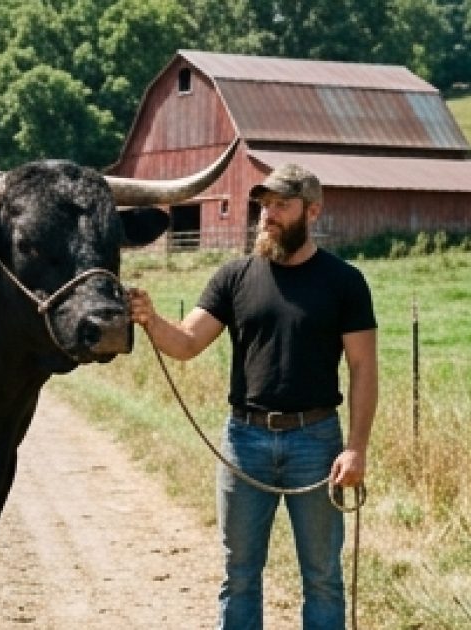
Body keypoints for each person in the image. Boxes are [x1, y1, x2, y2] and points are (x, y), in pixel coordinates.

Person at [127, 163, 378, 629]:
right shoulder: (234, 277)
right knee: (239, 574)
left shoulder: (344, 281)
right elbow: (187, 343)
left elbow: (364, 368)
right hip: (244, 442)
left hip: (317, 443)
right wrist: (150, 319)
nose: (268, 215)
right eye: (263, 205)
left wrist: (356, 448)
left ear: (312, 211)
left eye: (281, 205)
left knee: (323, 578)